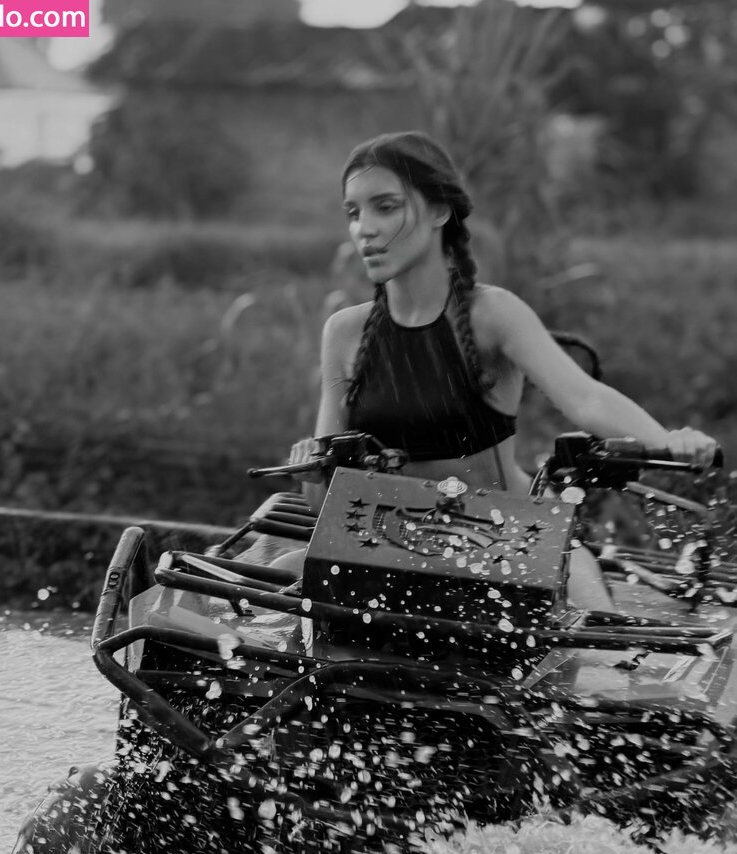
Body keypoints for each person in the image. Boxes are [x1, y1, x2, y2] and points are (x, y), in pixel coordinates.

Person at [286, 130, 717, 609]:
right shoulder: (343, 333)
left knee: (596, 621)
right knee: (257, 584)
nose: (363, 229)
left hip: (511, 539)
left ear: (439, 211)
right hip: (385, 547)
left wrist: (667, 440)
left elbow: (586, 398)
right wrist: (312, 467)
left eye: (385, 207)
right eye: (353, 212)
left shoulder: (494, 315)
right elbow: (320, 503)